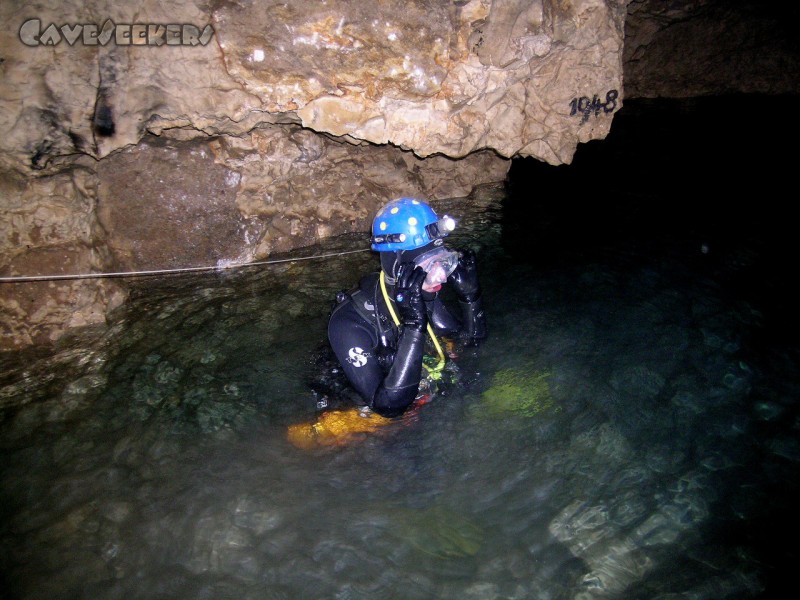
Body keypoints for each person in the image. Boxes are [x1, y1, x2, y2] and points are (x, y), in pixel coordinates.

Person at [327, 197, 486, 418]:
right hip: (359, 411)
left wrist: (471, 298)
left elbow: (468, 346)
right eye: (430, 265)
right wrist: (413, 325)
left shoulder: (423, 292)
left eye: (444, 262)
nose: (441, 275)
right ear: (399, 268)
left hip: (417, 399)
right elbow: (388, 407)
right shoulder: (347, 324)